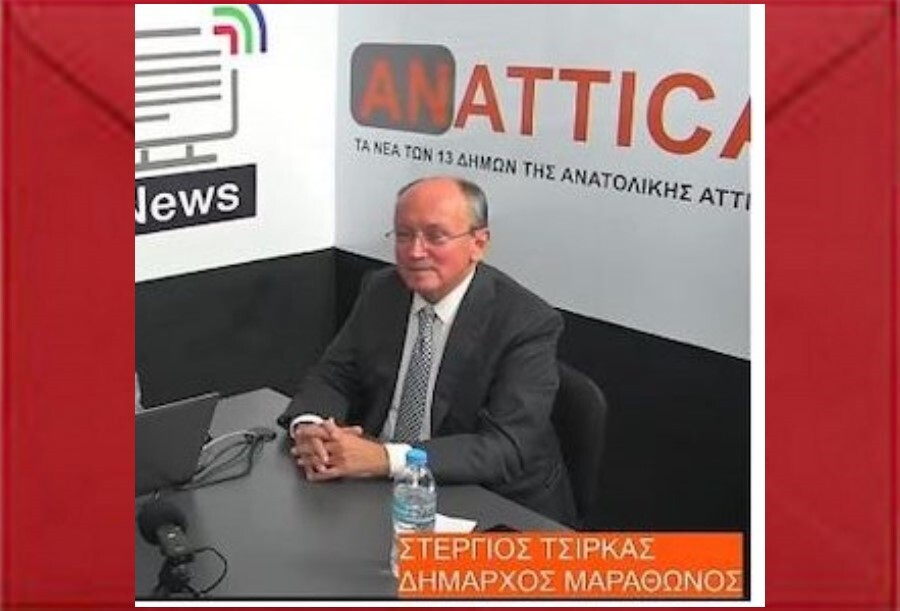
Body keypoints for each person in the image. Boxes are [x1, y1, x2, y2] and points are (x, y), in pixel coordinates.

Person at [277, 176, 575, 525]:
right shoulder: (382, 289)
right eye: (404, 235)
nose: (415, 252)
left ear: (478, 243)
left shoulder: (526, 321)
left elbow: (504, 448)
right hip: (381, 490)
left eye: (436, 236)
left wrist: (385, 458)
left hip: (492, 503)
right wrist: (311, 427)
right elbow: (335, 374)